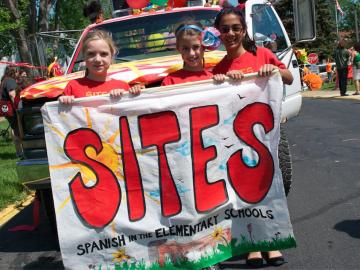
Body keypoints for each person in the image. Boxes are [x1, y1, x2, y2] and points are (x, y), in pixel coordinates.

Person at [212, 7, 293, 267]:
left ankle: (274, 241)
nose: (231, 33)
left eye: (235, 28)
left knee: (268, 186)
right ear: (219, 34)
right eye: (225, 29)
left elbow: (289, 78)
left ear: (243, 30)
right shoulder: (219, 68)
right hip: (234, 140)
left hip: (264, 136)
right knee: (241, 190)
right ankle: (253, 245)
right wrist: (223, 80)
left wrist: (274, 70)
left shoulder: (263, 54)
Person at [59, 30, 141, 104]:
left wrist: (132, 94)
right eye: (91, 54)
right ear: (84, 56)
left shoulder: (123, 86)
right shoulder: (72, 87)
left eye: (103, 54)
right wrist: (64, 102)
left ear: (111, 56)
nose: (98, 59)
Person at [161, 22, 219, 86]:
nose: (191, 53)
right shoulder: (170, 81)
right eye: (185, 48)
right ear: (178, 48)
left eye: (196, 47)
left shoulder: (214, 79)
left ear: (204, 46)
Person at [0, 66, 22, 156]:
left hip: (6, 109)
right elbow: (12, 94)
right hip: (12, 109)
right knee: (18, 129)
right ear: (14, 71)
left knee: (15, 128)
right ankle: (20, 152)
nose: (18, 73)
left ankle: (19, 152)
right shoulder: (10, 80)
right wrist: (18, 108)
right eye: (17, 71)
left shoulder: (4, 80)